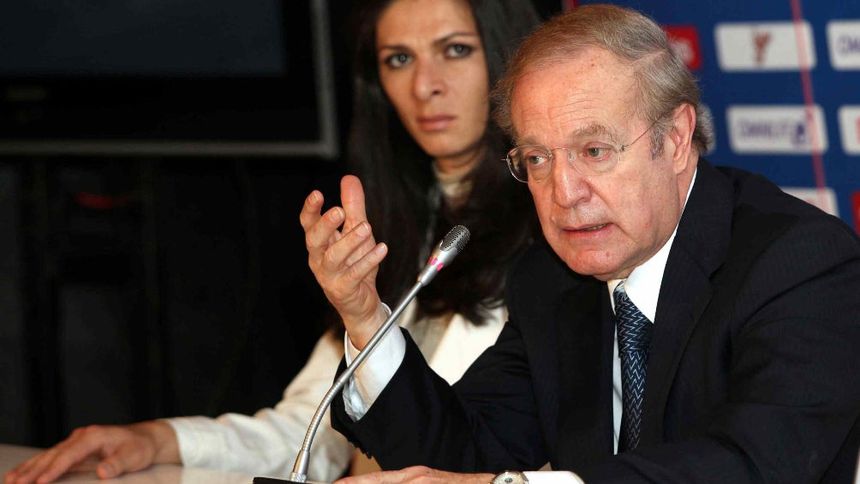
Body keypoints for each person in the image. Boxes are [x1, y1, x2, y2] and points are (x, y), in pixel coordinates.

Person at [304, 4, 860, 483]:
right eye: (537, 159)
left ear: (675, 139)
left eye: (594, 151)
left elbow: (754, 466)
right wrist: (365, 319)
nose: (564, 193)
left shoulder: (799, 264)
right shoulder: (552, 279)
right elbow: (458, 456)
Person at [3, 1, 541, 483]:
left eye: (455, 50)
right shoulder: (394, 222)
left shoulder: (557, 234)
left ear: (509, 55)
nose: (424, 85)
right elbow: (312, 431)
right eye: (398, 59)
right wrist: (159, 440)